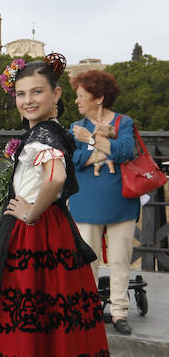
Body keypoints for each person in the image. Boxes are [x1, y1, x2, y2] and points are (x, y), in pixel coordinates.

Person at [0, 56, 117, 357]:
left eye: (37, 92)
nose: (28, 100)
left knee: (19, 324)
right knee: (52, 328)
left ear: (56, 95)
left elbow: (52, 180)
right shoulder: (50, 131)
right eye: (21, 94)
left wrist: (30, 212)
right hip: (48, 235)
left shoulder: (42, 137)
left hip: (34, 237)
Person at [67, 70, 139, 335]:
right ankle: (88, 310)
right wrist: (103, 152)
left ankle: (120, 312)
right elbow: (72, 161)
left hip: (122, 200)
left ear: (98, 98)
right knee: (88, 261)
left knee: (121, 260)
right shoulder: (75, 127)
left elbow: (127, 150)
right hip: (86, 202)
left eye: (81, 96)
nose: (77, 101)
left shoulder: (124, 122)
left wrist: (91, 142)